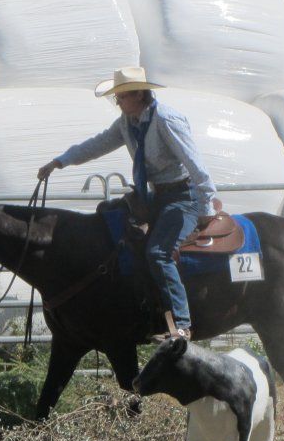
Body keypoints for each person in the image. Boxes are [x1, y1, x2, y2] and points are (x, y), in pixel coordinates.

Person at [38, 66, 219, 341]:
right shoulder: (127, 123)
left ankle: (182, 324)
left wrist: (206, 207)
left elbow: (195, 164)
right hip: (155, 196)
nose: (118, 102)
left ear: (137, 95)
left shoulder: (166, 120)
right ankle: (140, 312)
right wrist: (60, 161)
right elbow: (97, 144)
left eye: (120, 97)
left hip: (183, 197)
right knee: (117, 236)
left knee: (158, 253)